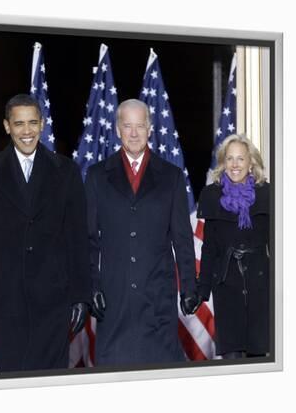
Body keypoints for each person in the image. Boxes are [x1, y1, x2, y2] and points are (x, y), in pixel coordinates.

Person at [0, 94, 91, 372]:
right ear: (7, 126)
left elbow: (78, 240)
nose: (27, 131)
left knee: (51, 388)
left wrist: (81, 294)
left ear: (42, 124)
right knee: (11, 387)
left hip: (54, 304)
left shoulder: (66, 172)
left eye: (33, 122)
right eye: (19, 124)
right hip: (6, 305)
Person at [85, 99, 200, 366]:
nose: (134, 133)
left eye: (140, 126)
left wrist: (189, 288)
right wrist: (90, 287)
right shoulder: (97, 176)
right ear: (117, 129)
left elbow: (182, 240)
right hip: (113, 302)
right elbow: (88, 240)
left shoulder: (171, 177)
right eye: (127, 126)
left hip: (158, 301)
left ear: (150, 129)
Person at [197, 134, 270, 359]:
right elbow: (209, 249)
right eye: (230, 159)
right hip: (227, 287)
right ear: (223, 162)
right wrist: (202, 290)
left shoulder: (268, 193)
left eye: (240, 159)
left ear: (251, 163)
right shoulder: (211, 195)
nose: (235, 165)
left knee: (261, 360)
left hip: (261, 287)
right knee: (232, 361)